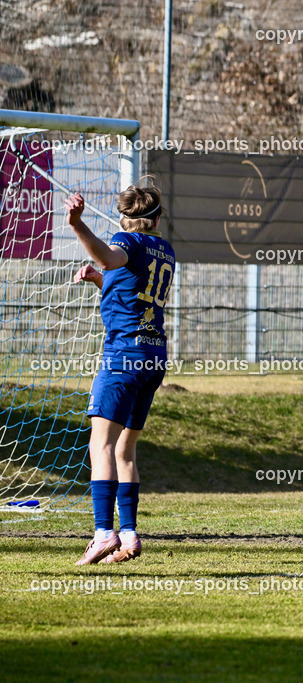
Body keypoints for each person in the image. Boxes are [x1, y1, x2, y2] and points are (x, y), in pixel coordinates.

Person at [67, 184, 175, 565]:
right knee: (125, 449)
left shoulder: (125, 241)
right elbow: (131, 288)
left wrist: (77, 224)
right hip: (153, 356)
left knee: (100, 445)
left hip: (124, 356)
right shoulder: (165, 251)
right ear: (158, 219)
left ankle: (102, 533)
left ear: (124, 219)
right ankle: (128, 534)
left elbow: (110, 256)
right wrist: (99, 280)